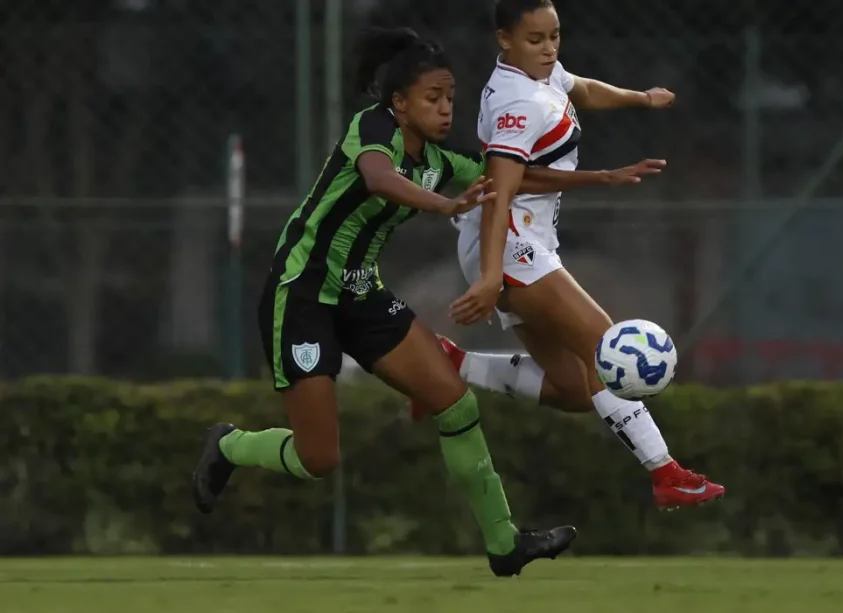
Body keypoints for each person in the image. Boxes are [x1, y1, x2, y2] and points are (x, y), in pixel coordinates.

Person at [187, 26, 637, 577]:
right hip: (301, 295)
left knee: (456, 403)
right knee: (318, 459)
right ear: (399, 103)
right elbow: (378, 180)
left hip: (362, 296)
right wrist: (443, 207)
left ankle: (504, 545)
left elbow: (512, 177)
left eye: (450, 97)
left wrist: (603, 178)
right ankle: (230, 446)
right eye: (433, 98)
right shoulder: (371, 129)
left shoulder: (442, 161)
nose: (446, 108)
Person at [444, 0, 726, 509]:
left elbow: (584, 90)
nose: (550, 48)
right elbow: (498, 192)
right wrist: (489, 278)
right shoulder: (519, 103)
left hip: (522, 243)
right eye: (536, 39)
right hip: (509, 245)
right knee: (607, 348)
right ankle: (666, 472)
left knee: (573, 389)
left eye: (555, 35)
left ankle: (451, 365)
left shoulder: (537, 74)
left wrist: (641, 98)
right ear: (504, 39)